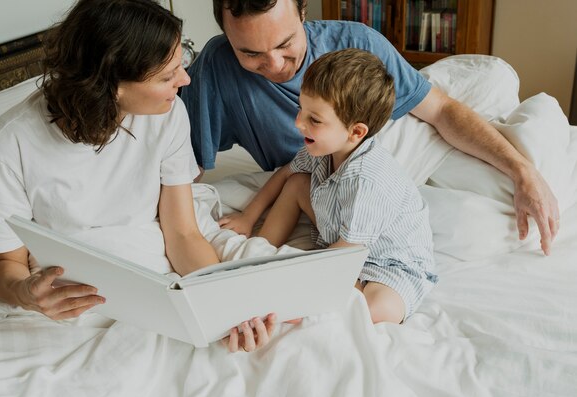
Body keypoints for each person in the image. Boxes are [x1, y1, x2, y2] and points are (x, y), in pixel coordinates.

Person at [0, 0, 272, 353]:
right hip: (74, 289)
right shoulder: (11, 143)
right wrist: (25, 293)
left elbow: (182, 233)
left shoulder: (168, 112)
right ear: (111, 85)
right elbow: (2, 264)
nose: (185, 79)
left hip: (152, 270)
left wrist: (223, 306)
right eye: (167, 75)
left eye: (183, 60)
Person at [181, 0, 560, 256]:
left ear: (302, 13)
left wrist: (523, 171)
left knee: (497, 94)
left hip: (395, 141)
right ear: (228, 38)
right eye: (251, 53)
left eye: (286, 44)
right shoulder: (215, 68)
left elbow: (440, 111)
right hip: (323, 173)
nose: (276, 64)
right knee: (473, 228)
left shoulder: (356, 43)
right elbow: (185, 166)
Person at [220, 49, 437, 323]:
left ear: (356, 132)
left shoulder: (368, 181)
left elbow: (346, 254)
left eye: (314, 119)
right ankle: (263, 252)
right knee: (297, 182)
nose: (299, 123)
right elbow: (286, 174)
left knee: (379, 308)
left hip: (388, 263)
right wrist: (248, 217)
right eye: (301, 109)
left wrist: (295, 288)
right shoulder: (322, 149)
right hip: (342, 234)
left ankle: (294, 301)